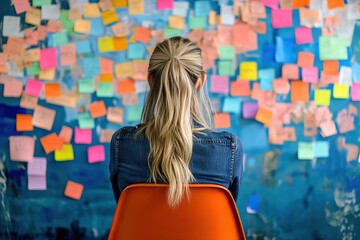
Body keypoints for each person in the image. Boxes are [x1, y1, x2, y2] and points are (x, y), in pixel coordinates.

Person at [110, 36, 244, 207]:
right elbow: (226, 210)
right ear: (201, 81)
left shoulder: (121, 144)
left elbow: (123, 207)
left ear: (150, 80)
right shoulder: (229, 148)